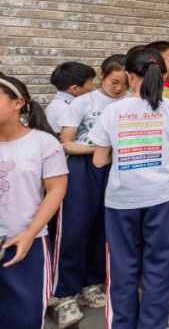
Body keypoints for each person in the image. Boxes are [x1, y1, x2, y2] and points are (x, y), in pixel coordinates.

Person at [88, 47, 169, 329]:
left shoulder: (113, 111)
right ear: (159, 73)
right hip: (164, 197)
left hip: (121, 200)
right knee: (160, 267)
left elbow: (99, 160)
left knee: (122, 269)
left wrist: (125, 150)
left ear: (127, 74)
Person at [53, 55, 128, 327]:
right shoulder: (83, 102)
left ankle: (93, 284)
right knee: (74, 228)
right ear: (101, 74)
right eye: (113, 82)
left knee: (104, 227)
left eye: (125, 82)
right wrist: (101, 150)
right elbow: (67, 143)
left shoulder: (131, 102)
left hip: (117, 169)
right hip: (82, 169)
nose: (119, 88)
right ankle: (63, 294)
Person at [0, 73, 68, 329]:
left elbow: (57, 190)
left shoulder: (43, 142)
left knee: (24, 317)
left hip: (25, 245)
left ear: (18, 103)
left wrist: (29, 235)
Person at [45, 62, 96, 134]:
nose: (93, 86)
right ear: (74, 89)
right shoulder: (67, 109)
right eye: (90, 83)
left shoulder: (59, 105)